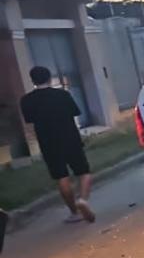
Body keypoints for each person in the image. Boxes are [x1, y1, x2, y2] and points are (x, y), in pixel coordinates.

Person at [19, 67, 95, 223]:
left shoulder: (26, 100)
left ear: (32, 80)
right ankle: (83, 200)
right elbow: (74, 114)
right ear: (49, 78)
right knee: (83, 171)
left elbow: (30, 122)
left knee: (61, 176)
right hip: (70, 138)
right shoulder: (62, 95)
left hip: (48, 142)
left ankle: (74, 212)